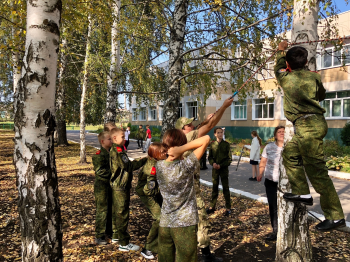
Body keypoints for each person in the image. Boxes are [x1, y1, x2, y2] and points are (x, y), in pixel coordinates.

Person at [275, 41, 345, 231]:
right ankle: (302, 193)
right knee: (290, 154)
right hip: (313, 124)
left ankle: (336, 216)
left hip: (308, 127)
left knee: (318, 174)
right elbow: (321, 95)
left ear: (288, 63)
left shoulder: (285, 78)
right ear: (306, 62)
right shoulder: (314, 78)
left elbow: (278, 67)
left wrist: (281, 51)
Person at [176, 96, 233, 262]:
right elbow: (210, 126)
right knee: (201, 221)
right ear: (183, 129)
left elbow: (202, 126)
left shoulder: (179, 140)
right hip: (191, 192)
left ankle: (188, 253)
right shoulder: (187, 138)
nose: (193, 126)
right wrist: (223, 106)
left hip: (182, 191)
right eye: (189, 125)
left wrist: (203, 122)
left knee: (187, 223)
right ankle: (206, 256)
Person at [156, 129, 210, 262]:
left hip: (165, 223)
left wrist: (175, 151)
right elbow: (206, 139)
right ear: (181, 145)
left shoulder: (159, 166)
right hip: (185, 224)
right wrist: (181, 149)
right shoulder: (186, 165)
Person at [109, 128, 148, 251]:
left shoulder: (116, 149)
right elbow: (129, 166)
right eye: (122, 136)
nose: (124, 138)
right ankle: (124, 243)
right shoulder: (118, 150)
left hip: (118, 185)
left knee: (117, 211)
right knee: (122, 213)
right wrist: (144, 160)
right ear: (114, 138)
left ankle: (116, 236)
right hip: (121, 186)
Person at [136, 143, 167, 259]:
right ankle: (148, 248)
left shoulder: (157, 161)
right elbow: (149, 191)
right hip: (147, 193)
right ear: (156, 154)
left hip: (153, 191)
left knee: (166, 214)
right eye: (163, 152)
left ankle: (163, 241)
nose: (166, 154)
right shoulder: (152, 169)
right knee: (159, 218)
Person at [256, 126, 285, 241]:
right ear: (275, 135)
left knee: (286, 207)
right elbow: (263, 161)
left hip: (286, 184)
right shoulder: (269, 147)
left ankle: (286, 230)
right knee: (273, 207)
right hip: (271, 182)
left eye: (284, 132)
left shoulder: (290, 147)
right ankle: (276, 231)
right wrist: (260, 173)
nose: (282, 133)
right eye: (279, 132)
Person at [92, 131, 113, 245]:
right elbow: (100, 171)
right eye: (109, 139)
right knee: (102, 210)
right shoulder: (99, 154)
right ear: (102, 141)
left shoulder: (110, 152)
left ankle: (109, 231)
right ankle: (99, 235)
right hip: (102, 187)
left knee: (110, 208)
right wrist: (114, 173)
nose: (111, 141)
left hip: (109, 186)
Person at [207, 127, 232, 216]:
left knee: (225, 188)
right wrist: (213, 163)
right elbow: (209, 157)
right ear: (215, 134)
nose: (220, 134)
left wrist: (221, 165)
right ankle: (212, 207)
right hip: (215, 170)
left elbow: (229, 159)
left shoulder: (226, 145)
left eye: (221, 132)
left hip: (223, 170)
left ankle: (228, 208)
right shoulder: (212, 145)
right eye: (218, 132)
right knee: (214, 188)